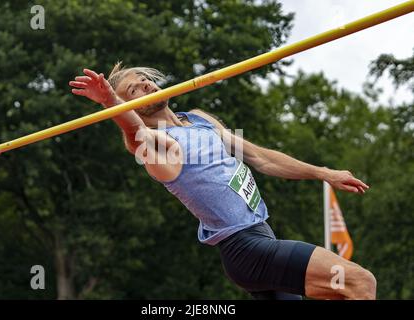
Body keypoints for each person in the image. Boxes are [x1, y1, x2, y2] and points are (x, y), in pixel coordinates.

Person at [69, 63, 376, 300]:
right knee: (361, 282)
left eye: (145, 80)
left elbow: (260, 158)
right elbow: (137, 134)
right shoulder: (159, 148)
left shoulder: (199, 120)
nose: (146, 85)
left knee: (341, 292)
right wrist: (110, 101)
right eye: (133, 90)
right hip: (246, 250)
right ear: (127, 107)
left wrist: (324, 173)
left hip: (263, 237)